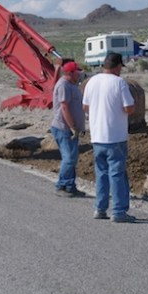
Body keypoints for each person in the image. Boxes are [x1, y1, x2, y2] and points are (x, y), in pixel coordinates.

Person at [82, 52, 136, 222]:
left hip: (97, 136)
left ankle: (100, 208)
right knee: (117, 174)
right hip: (115, 136)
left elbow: (85, 107)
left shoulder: (92, 81)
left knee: (102, 173)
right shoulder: (119, 83)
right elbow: (129, 108)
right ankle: (119, 211)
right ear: (118, 66)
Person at [51, 60, 86, 197]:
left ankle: (70, 186)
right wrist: (72, 127)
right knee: (69, 158)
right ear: (70, 73)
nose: (80, 74)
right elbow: (64, 107)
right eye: (78, 71)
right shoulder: (63, 85)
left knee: (73, 157)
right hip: (63, 128)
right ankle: (61, 185)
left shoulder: (72, 85)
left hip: (72, 128)